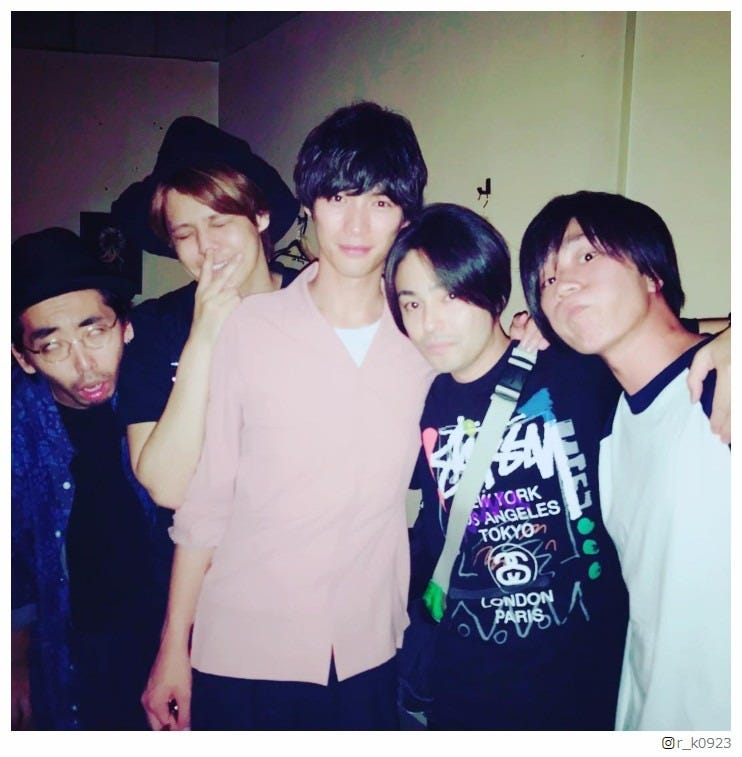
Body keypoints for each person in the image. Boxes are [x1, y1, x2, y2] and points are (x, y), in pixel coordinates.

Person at [140, 101, 434, 730]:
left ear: (406, 215)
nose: (356, 223)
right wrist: (173, 648)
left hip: (369, 649)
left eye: (381, 202)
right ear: (310, 205)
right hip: (245, 650)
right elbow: (205, 502)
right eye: (338, 197)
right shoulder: (248, 329)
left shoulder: (426, 341)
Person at [383, 203, 629, 729]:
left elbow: (671, 348)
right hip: (465, 686)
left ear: (492, 290)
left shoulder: (575, 369)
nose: (429, 323)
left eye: (450, 296)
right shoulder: (422, 402)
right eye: (412, 304)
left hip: (581, 681)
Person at [518, 190, 730, 730]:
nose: (561, 284)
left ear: (651, 272)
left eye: (585, 255)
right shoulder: (612, 434)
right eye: (546, 278)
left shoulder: (723, 390)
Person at [11, 228, 171, 730]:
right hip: (67, 650)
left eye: (94, 331)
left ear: (125, 327)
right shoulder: (16, 427)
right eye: (52, 345)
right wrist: (15, 659)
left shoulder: (164, 399)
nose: (84, 366)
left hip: (168, 634)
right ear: (24, 358)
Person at [112, 116, 302, 508]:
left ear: (259, 216)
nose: (205, 248)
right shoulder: (153, 328)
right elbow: (168, 488)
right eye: (184, 234)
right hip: (198, 544)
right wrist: (203, 336)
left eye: (220, 223)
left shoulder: (318, 303)